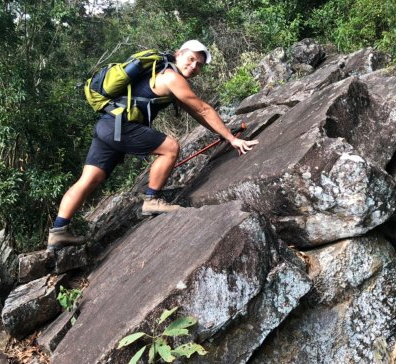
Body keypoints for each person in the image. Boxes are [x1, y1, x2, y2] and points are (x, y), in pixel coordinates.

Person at [47, 40, 259, 250]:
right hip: (120, 126)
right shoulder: (171, 77)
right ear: (178, 54)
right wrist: (232, 139)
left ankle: (58, 231)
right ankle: (152, 200)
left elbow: (195, 111)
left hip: (107, 125)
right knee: (170, 148)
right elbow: (203, 109)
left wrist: (222, 133)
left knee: (90, 178)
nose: (194, 66)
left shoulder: (159, 71)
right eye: (191, 59)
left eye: (199, 65)